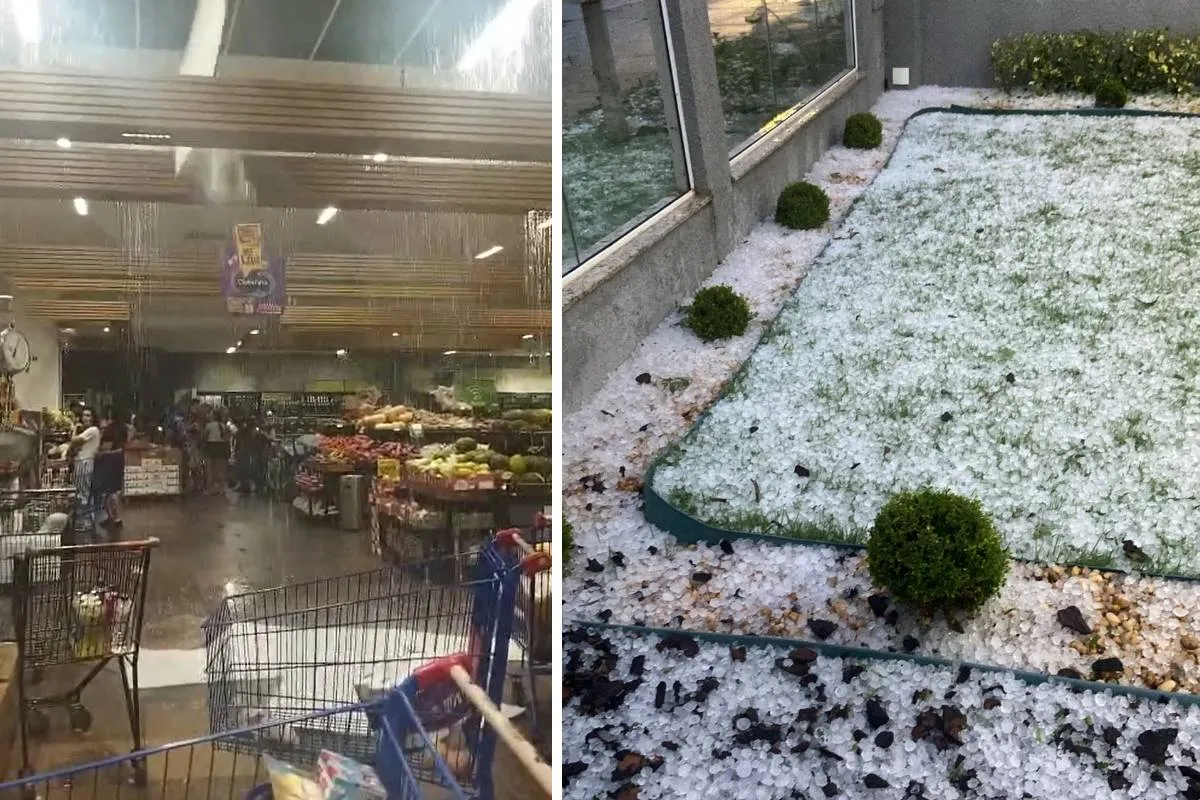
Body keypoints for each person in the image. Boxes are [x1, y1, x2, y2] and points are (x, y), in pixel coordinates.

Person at [65, 406, 101, 539]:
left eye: (89, 415)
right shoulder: (91, 431)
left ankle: (85, 522)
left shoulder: (92, 430)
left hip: (84, 464)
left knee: (83, 494)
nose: (86, 418)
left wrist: (74, 428)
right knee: (83, 492)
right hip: (83, 463)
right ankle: (86, 521)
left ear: (93, 418)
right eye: (84, 415)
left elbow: (74, 440)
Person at [94, 408, 127, 532]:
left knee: (109, 491)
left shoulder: (110, 430)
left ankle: (114, 517)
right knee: (114, 490)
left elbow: (105, 448)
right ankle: (113, 517)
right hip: (119, 459)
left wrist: (99, 452)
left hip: (109, 461)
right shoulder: (124, 428)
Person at [203, 409, 229, 494]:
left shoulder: (209, 425)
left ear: (213, 416)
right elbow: (226, 438)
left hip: (211, 446)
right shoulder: (223, 425)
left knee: (209, 468)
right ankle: (221, 488)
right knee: (220, 468)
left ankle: (211, 488)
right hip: (221, 447)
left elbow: (204, 436)